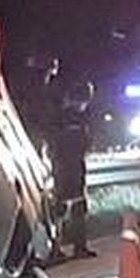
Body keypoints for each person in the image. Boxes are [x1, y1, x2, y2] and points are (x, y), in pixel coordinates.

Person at [50, 78, 96, 259]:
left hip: (71, 166)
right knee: (64, 208)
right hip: (67, 167)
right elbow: (72, 143)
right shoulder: (68, 118)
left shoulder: (69, 117)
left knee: (72, 207)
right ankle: (61, 248)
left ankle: (71, 247)